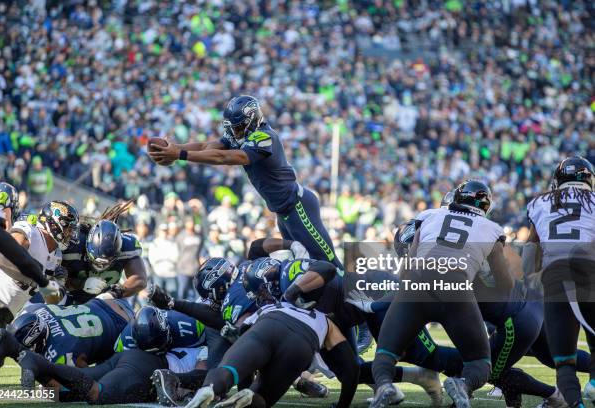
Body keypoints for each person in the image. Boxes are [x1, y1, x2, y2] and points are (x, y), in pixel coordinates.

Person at [148, 95, 342, 268]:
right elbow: (206, 146)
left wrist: (180, 154)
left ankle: (361, 302)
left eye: (239, 127)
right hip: (283, 211)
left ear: (253, 120)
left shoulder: (265, 137)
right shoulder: (243, 134)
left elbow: (226, 158)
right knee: (306, 264)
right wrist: (174, 149)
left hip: (298, 206)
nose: (235, 132)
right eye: (233, 128)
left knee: (327, 262)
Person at [369, 180, 514, 408]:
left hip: (418, 282)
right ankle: (463, 385)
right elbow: (505, 284)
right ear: (486, 206)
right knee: (480, 362)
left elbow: (409, 265)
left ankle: (386, 385)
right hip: (456, 286)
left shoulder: (430, 215)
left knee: (386, 352)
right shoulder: (492, 229)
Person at [185, 260, 359, 408]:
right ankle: (251, 396)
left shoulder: (268, 306)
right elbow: (352, 368)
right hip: (303, 342)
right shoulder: (325, 320)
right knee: (262, 398)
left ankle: (209, 388)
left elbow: (244, 343)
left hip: (267, 325)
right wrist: (343, 405)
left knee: (227, 371)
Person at [0, 306, 205, 404]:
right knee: (96, 394)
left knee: (70, 394)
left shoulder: (195, 340)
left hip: (130, 359)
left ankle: (15, 349)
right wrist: (174, 381)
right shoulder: (204, 349)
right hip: (145, 367)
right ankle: (32, 360)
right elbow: (202, 377)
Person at [525, 156, 595, 407]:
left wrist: (529, 280)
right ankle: (594, 385)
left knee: (564, 362)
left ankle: (577, 404)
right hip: (590, 274)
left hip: (554, 278)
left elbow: (532, 248)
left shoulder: (540, 203)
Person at [0, 201, 77, 344]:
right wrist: (37, 275)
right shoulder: (30, 230)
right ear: (53, 222)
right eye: (67, 228)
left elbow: (49, 298)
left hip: (6, 314)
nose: (69, 234)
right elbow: (8, 253)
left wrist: (57, 284)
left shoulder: (56, 256)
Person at [62, 218, 147, 304]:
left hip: (108, 303)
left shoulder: (127, 247)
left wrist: (115, 293)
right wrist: (81, 283)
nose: (100, 266)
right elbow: (56, 279)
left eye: (105, 263)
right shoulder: (73, 244)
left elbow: (140, 279)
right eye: (94, 260)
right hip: (72, 299)